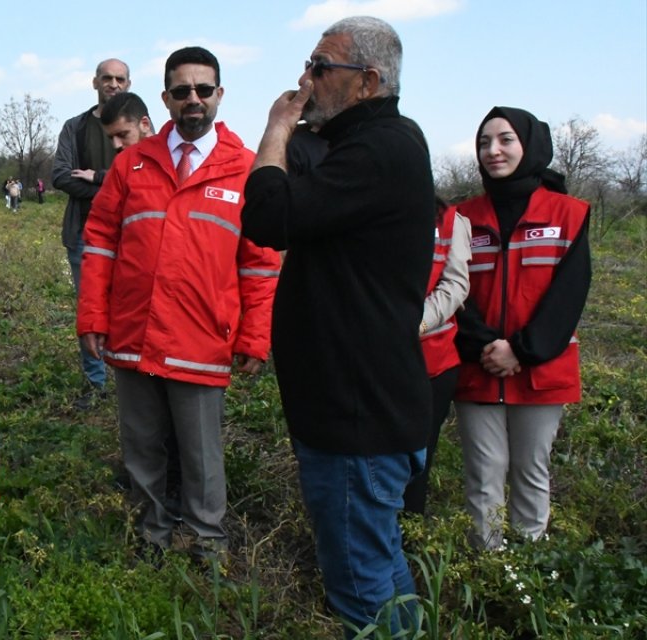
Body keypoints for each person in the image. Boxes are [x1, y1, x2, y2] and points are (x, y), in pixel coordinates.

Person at [241, 16, 434, 635]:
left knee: (358, 583)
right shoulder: (370, 145)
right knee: (380, 563)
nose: (306, 80)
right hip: (363, 406)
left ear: (367, 82)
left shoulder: (381, 148)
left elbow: (269, 215)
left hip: (357, 419)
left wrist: (275, 128)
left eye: (322, 68)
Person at [77, 46, 280, 564]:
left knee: (201, 453)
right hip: (132, 331)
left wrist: (255, 335)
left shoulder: (244, 170)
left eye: (203, 90)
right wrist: (93, 317)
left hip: (200, 337)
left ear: (219, 95)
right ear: (165, 98)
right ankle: (154, 533)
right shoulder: (131, 164)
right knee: (143, 445)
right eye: (182, 91)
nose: (194, 99)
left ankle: (207, 542)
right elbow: (99, 242)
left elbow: (260, 263)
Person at [453, 107, 591, 550]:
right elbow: (452, 291)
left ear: (530, 145)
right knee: (483, 474)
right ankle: (488, 569)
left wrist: (522, 350)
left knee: (532, 472)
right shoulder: (461, 217)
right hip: (478, 367)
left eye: (505, 140)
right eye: (484, 142)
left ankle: (528, 575)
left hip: (541, 369)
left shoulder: (569, 213)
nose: (492, 151)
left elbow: (569, 295)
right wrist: (485, 347)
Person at [54, 58, 130, 405]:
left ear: (127, 84)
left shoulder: (140, 127)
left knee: (131, 305)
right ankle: (95, 383)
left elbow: (145, 178)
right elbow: (61, 176)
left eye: (120, 79)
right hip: (83, 234)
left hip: (131, 233)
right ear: (95, 82)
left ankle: (131, 380)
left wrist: (99, 178)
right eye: (107, 78)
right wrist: (116, 189)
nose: (113, 84)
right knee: (91, 307)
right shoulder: (75, 127)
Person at [404, 198, 471, 515]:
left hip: (432, 365)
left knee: (417, 462)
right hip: (370, 366)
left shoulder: (450, 220)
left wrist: (411, 324)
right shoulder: (358, 203)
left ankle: (407, 540)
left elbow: (455, 283)